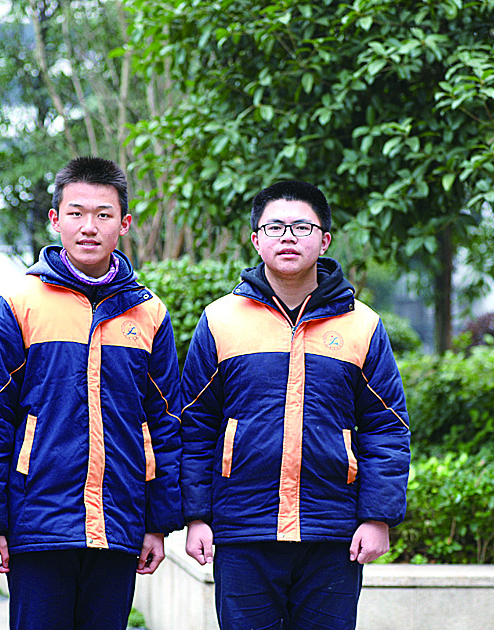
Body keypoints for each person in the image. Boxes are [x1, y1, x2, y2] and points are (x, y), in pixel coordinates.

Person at [0, 156, 183, 630]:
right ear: (55, 219)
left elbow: (165, 423)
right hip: (37, 523)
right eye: (76, 213)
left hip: (119, 524)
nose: (89, 227)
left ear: (124, 224)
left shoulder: (149, 314)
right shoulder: (21, 302)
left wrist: (158, 523)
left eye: (103, 215)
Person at [180, 180, 411, 630]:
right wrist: (196, 516)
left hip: (332, 532)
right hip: (243, 529)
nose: (288, 237)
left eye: (302, 227)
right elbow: (196, 425)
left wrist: (377, 517)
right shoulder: (220, 320)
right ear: (256, 239)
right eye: (275, 227)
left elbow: (386, 426)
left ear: (324, 240)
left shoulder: (362, 325)